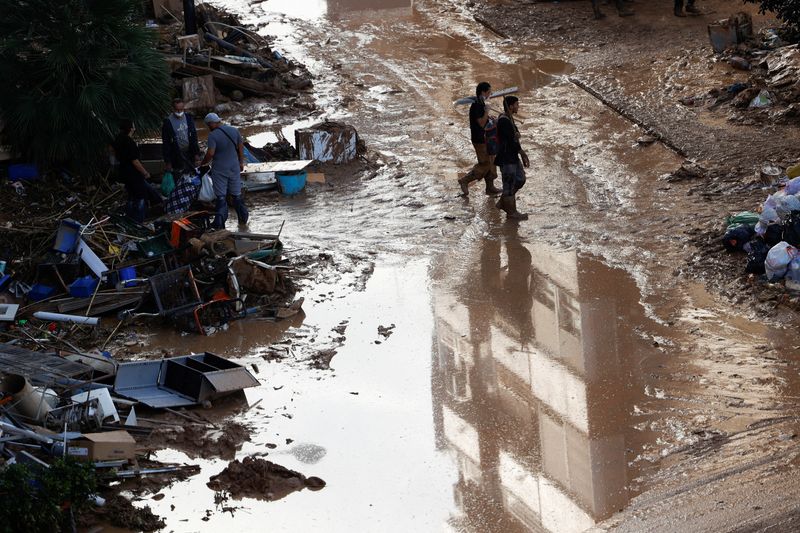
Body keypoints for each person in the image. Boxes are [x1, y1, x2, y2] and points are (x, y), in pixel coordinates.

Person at [199, 113, 248, 229]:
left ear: (211, 123)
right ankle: (243, 221)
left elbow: (210, 153)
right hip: (234, 167)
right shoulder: (234, 130)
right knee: (236, 195)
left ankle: (220, 224)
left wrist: (203, 163)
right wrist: (241, 162)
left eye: (208, 125)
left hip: (220, 169)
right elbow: (241, 147)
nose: (208, 127)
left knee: (221, 197)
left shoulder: (213, 135)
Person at [112, 119, 162, 223]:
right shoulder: (129, 142)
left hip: (124, 172)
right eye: (133, 126)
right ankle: (138, 220)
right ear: (131, 129)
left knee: (131, 196)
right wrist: (145, 173)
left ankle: (130, 218)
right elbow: (134, 161)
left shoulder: (118, 140)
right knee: (140, 196)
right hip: (133, 173)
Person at [458, 81, 501, 197]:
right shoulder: (477, 105)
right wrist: (487, 111)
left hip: (487, 138)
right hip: (480, 139)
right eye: (488, 92)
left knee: (492, 162)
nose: (489, 94)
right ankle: (465, 180)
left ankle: (490, 187)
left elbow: (484, 120)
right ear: (483, 92)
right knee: (485, 163)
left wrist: (490, 117)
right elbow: (481, 123)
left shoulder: (481, 103)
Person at [494, 96, 529, 220]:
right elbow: (510, 140)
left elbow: (513, 137)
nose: (518, 107)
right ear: (510, 106)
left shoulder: (509, 119)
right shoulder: (504, 120)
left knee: (520, 179)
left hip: (512, 156)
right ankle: (511, 213)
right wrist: (522, 153)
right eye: (516, 104)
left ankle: (504, 202)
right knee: (508, 185)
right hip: (506, 157)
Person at [162, 98, 200, 177]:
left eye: (181, 109)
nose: (179, 112)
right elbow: (166, 143)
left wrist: (196, 154)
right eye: (177, 110)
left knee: (192, 175)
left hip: (189, 152)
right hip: (176, 154)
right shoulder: (167, 122)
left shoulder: (188, 118)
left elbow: (194, 137)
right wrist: (168, 162)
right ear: (172, 109)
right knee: (179, 176)